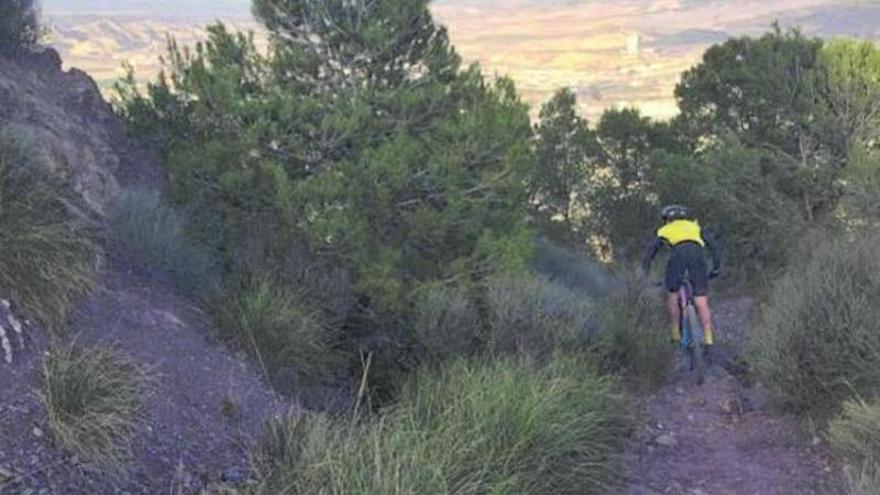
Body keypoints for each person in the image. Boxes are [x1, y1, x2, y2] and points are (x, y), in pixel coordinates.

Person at [642, 205, 721, 346]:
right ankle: (708, 338)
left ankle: (675, 335)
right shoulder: (695, 227)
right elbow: (713, 246)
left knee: (672, 295)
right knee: (701, 301)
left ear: (667, 220)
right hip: (697, 258)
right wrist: (716, 267)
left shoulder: (665, 230)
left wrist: (645, 272)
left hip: (678, 257)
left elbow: (651, 252)